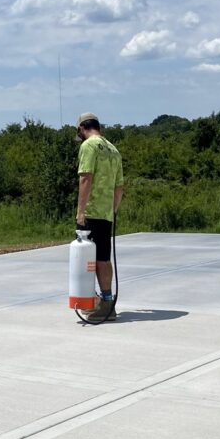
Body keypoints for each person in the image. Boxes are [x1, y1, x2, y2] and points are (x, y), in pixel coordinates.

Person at [75, 112, 124, 322]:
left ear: (82, 128)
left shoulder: (89, 146)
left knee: (93, 259)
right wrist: (113, 210)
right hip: (106, 213)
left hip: (92, 211)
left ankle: (104, 305)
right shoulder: (113, 150)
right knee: (103, 257)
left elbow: (86, 177)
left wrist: (80, 211)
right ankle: (104, 300)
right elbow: (119, 187)